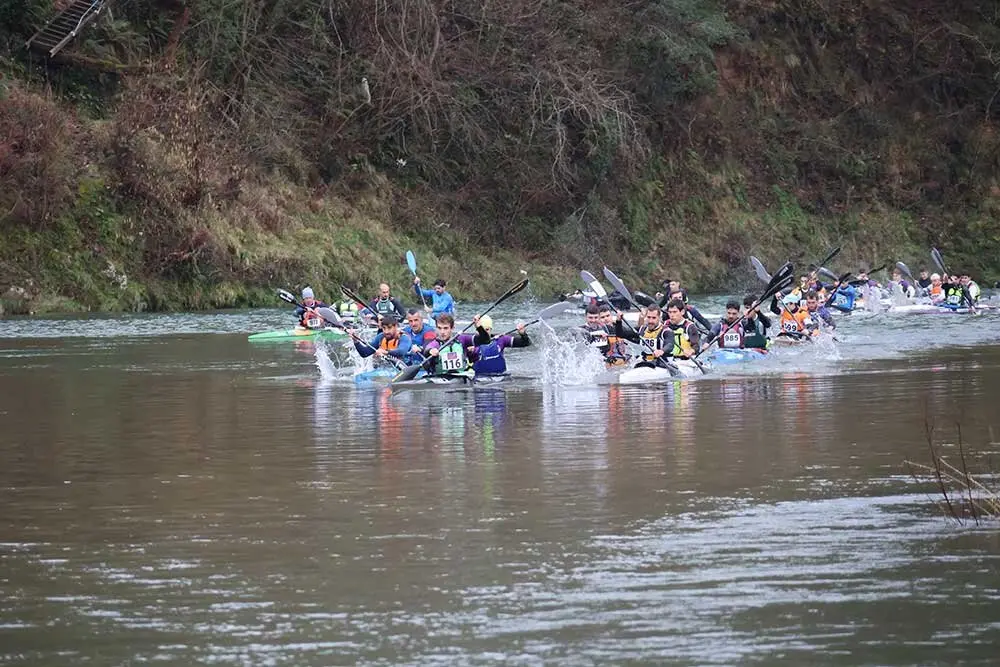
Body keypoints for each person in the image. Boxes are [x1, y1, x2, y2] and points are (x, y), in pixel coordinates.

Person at [353, 315, 418, 365]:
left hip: (404, 369)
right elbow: (365, 353)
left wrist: (385, 352)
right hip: (385, 370)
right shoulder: (381, 337)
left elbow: (401, 352)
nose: (386, 331)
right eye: (384, 328)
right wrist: (356, 341)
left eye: (389, 328)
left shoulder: (404, 338)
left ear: (395, 327)